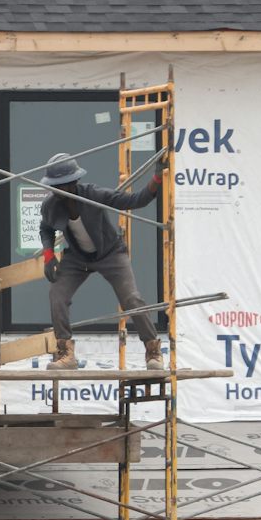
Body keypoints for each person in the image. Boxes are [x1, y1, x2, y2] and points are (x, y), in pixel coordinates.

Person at [37, 152, 164, 372]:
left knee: (132, 299)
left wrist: (157, 179)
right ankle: (66, 354)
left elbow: (136, 200)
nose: (58, 191)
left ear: (73, 182)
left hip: (111, 254)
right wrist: (49, 255)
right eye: (54, 187)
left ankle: (152, 350)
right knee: (57, 295)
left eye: (62, 186)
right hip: (77, 258)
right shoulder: (51, 205)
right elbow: (45, 228)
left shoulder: (93, 195)